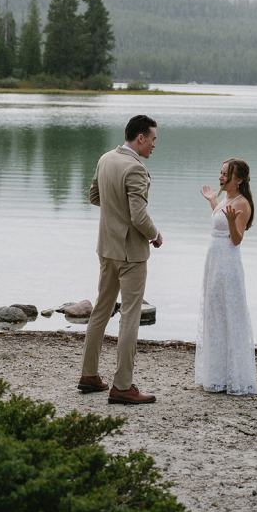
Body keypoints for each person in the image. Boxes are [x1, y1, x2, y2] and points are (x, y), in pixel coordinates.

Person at [78, 114, 163, 405]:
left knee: (101, 310)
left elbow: (93, 196)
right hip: (130, 253)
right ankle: (123, 386)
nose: (154, 146)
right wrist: (155, 234)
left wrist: (115, 211)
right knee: (129, 316)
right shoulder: (136, 169)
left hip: (106, 248)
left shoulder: (105, 159)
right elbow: (139, 216)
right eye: (153, 139)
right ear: (140, 138)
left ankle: (89, 375)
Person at [195, 157, 257, 396]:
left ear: (238, 179)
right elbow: (220, 222)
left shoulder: (242, 203)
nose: (221, 177)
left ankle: (234, 377)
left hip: (228, 264)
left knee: (229, 313)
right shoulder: (226, 198)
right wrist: (213, 202)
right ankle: (217, 374)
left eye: (225, 174)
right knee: (215, 311)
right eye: (221, 172)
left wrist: (233, 221)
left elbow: (236, 239)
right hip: (214, 261)